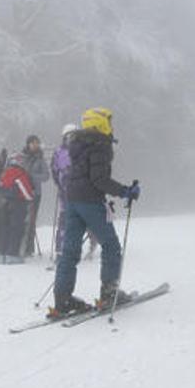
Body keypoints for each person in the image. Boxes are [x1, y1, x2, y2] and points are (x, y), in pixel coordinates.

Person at [49, 108, 141, 317]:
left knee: (69, 252)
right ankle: (109, 294)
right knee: (111, 246)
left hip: (72, 201)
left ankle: (62, 300)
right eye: (109, 121)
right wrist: (125, 191)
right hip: (90, 202)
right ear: (100, 124)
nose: (111, 126)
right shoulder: (99, 144)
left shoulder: (77, 144)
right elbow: (99, 179)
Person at [51, 124, 99, 261]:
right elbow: (54, 170)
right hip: (66, 193)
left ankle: (90, 245)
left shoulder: (84, 150)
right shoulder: (59, 152)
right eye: (69, 136)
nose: (72, 138)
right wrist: (61, 184)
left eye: (75, 135)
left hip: (83, 192)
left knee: (86, 219)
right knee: (65, 222)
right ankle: (61, 252)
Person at [0, 152, 35, 265]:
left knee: (5, 228)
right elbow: (26, 191)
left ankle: (2, 253)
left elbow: (1, 186)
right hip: (18, 204)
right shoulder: (20, 173)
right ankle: (12, 254)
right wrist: (31, 198)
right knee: (16, 229)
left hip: (5, 203)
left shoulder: (5, 173)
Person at [22, 135, 50, 257]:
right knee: (22, 219)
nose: (35, 145)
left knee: (31, 220)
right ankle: (21, 246)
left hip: (35, 193)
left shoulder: (40, 159)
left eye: (37, 143)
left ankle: (29, 248)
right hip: (21, 191)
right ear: (28, 144)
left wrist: (33, 176)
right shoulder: (22, 157)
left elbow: (46, 176)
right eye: (32, 143)